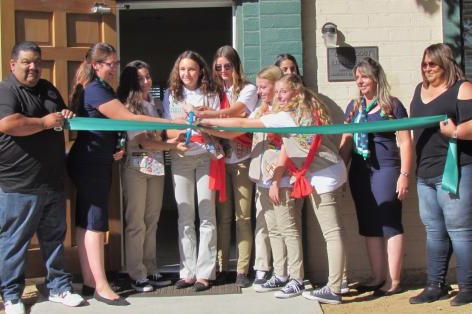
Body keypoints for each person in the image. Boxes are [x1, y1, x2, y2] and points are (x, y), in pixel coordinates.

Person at [201, 73, 344, 300]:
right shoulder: (300, 110)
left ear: (296, 92)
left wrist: (208, 120)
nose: (279, 97)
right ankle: (304, 279)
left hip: (324, 173)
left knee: (331, 232)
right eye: (277, 93)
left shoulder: (287, 116)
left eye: (283, 92)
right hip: (317, 172)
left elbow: (241, 123)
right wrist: (210, 127)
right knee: (310, 231)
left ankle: (333, 287)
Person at [68, 43, 175, 306]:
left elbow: (112, 126)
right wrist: (173, 123)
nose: (114, 68)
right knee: (94, 223)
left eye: (116, 63)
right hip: (90, 163)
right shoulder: (94, 89)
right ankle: (101, 286)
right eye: (110, 64)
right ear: (96, 65)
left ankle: (91, 280)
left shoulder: (102, 89)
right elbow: (128, 118)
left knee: (86, 222)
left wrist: (117, 145)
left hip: (97, 159)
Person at [0, 41, 84, 314]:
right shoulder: (4, 91)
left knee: (54, 239)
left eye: (36, 62)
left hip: (51, 181)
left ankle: (58, 287)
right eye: (26, 62)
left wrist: (65, 114)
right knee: (14, 242)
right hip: (16, 184)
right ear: (13, 64)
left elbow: (62, 116)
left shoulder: (48, 89)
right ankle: (11, 296)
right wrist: (45, 122)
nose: (33, 67)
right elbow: (7, 124)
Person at [339, 58, 412, 297]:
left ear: (376, 78)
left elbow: (405, 141)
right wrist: (341, 170)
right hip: (360, 173)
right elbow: (347, 140)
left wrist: (404, 175)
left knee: (388, 222)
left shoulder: (391, 106)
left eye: (364, 76)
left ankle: (393, 280)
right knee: (369, 224)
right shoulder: (354, 107)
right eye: (357, 77)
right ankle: (378, 277)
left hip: (386, 170)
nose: (360, 81)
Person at [409, 43, 472, 306]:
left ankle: (469, 287)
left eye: (431, 64)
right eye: (424, 64)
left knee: (460, 230)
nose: (426, 69)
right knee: (434, 231)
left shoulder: (463, 88)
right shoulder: (418, 89)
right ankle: (436, 285)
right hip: (425, 173)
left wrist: (455, 132)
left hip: (455, 170)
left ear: (445, 63)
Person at [116, 60, 188, 292]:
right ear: (131, 82)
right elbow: (142, 141)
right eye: (141, 78)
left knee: (152, 221)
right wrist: (171, 146)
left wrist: (174, 139)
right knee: (136, 222)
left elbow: (161, 135)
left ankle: (151, 267)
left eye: (148, 77)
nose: (146, 82)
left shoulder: (155, 103)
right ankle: (136, 273)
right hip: (136, 168)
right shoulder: (128, 107)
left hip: (156, 167)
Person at [193, 46, 258, 287]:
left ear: (236, 66)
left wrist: (210, 114)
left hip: (242, 160)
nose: (222, 71)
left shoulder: (249, 89)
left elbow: (236, 113)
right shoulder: (213, 90)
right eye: (218, 67)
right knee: (222, 218)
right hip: (219, 160)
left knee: (243, 217)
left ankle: (242, 269)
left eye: (227, 66)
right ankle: (221, 267)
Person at [162, 50, 222, 292]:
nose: (187, 74)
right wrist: (181, 131)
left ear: (201, 71)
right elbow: (165, 130)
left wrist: (201, 122)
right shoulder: (170, 95)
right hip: (181, 159)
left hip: (206, 158)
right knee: (185, 216)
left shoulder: (211, 94)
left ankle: (205, 273)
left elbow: (218, 127)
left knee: (207, 214)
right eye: (183, 69)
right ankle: (187, 272)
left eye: (192, 69)